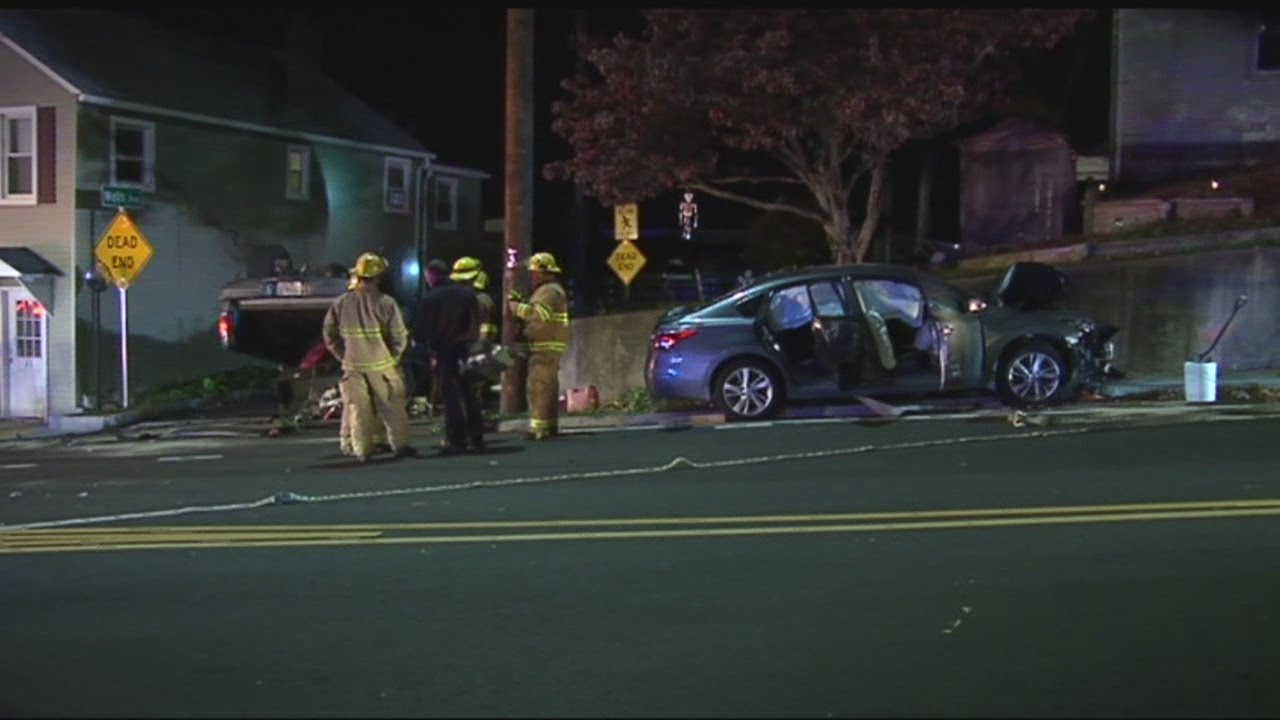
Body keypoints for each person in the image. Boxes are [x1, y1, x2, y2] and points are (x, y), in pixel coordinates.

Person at [322, 252, 413, 462]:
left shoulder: (341, 302)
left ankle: (362, 451)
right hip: (382, 365)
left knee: (357, 409)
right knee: (392, 406)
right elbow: (399, 335)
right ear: (378, 277)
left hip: (352, 365)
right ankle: (400, 446)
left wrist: (342, 355)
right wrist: (394, 357)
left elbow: (329, 334)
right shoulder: (386, 302)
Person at [414, 265, 484, 455]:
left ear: (432, 276)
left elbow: (421, 329)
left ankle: (456, 439)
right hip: (468, 349)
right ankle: (476, 436)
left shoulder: (431, 298)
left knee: (451, 396)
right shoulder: (468, 295)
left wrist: (426, 347)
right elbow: (477, 320)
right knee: (469, 393)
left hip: (445, 350)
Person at [507, 252, 570, 441]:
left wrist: (516, 307)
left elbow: (538, 315)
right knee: (547, 385)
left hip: (545, 345)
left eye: (535, 272)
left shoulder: (549, 291)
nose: (532, 276)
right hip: (548, 344)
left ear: (545, 272)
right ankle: (548, 425)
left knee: (538, 386)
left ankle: (538, 428)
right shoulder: (550, 290)